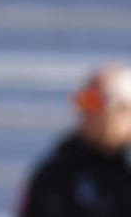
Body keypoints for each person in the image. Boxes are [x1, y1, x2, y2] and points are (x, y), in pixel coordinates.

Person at [18, 64, 131, 217]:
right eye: (83, 101)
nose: (85, 111)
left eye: (93, 101)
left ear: (124, 110)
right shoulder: (60, 171)